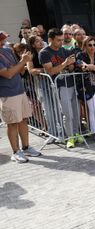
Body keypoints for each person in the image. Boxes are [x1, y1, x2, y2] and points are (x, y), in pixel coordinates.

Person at [0, 31, 42, 162]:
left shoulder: (7, 50)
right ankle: (15, 152)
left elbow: (19, 69)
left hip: (20, 91)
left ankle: (26, 147)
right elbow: (8, 74)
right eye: (3, 39)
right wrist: (23, 61)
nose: (5, 41)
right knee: (12, 124)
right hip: (7, 94)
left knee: (23, 120)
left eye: (5, 38)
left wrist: (25, 62)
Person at [40, 28, 84, 148]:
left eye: (61, 40)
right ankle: (70, 137)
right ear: (50, 39)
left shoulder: (64, 50)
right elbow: (50, 71)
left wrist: (71, 64)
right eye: (58, 40)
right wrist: (65, 63)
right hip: (60, 86)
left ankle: (76, 133)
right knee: (67, 113)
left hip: (71, 82)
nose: (61, 42)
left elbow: (70, 68)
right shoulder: (44, 53)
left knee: (76, 112)